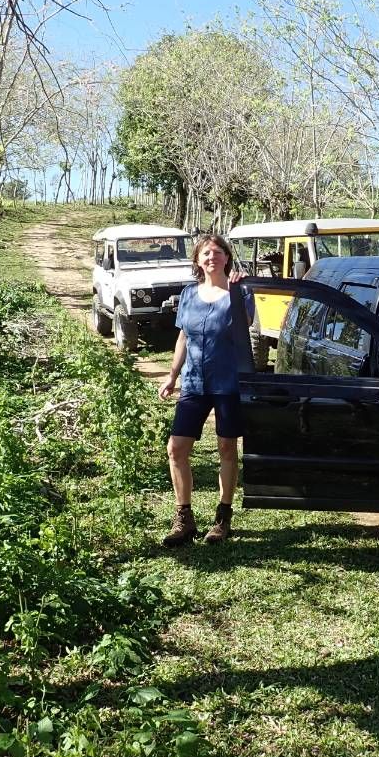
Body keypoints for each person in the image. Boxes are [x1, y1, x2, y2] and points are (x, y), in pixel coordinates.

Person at [158, 234, 254, 546]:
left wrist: (237, 290)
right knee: (176, 448)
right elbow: (183, 338)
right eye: (205, 253)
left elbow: (246, 323)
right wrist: (172, 376)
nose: (212, 257)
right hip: (194, 383)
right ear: (198, 260)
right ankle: (184, 518)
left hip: (227, 383)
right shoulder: (188, 294)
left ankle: (223, 517)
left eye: (217, 252)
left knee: (226, 448)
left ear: (227, 257)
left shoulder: (241, 292)